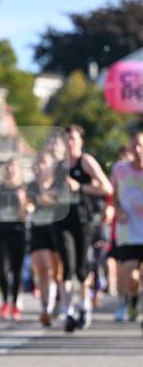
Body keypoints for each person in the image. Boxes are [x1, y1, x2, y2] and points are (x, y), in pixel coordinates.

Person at [52, 126, 112, 332]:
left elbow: (106, 187)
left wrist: (81, 187)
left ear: (80, 142)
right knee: (66, 267)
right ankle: (68, 312)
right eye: (66, 139)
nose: (70, 142)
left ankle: (85, 306)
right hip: (61, 221)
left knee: (81, 268)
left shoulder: (85, 161)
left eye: (74, 139)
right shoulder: (58, 165)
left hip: (83, 221)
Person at [111, 131, 143, 327]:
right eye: (135, 146)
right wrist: (118, 209)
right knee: (131, 278)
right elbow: (113, 193)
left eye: (141, 145)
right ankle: (132, 300)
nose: (138, 150)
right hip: (129, 233)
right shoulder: (120, 170)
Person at [26, 150, 60, 326]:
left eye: (43, 163)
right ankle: (46, 307)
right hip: (38, 230)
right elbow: (28, 204)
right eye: (37, 164)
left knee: (57, 272)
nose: (39, 167)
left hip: (57, 230)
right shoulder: (31, 186)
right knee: (43, 270)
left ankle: (58, 301)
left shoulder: (59, 184)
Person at [0, 158, 28, 321]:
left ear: (18, 171)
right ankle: (5, 301)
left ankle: (15, 303)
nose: (10, 171)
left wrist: (22, 202)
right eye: (8, 168)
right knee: (3, 269)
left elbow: (25, 216)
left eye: (13, 168)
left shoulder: (23, 190)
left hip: (18, 232)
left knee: (17, 269)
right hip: (2, 232)